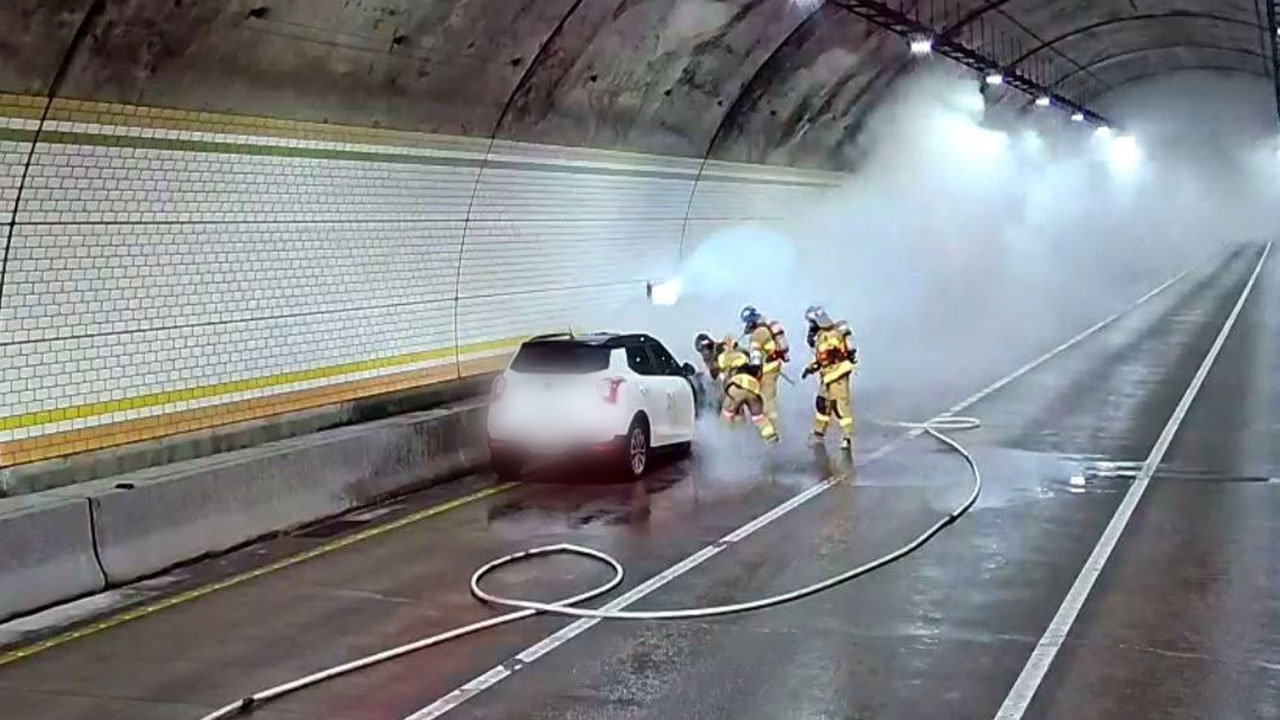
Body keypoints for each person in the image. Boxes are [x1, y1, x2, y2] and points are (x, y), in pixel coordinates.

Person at [802, 305, 856, 451]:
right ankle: (818, 433)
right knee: (822, 403)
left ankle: (846, 437)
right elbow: (821, 359)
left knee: (840, 407)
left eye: (812, 323)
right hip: (828, 375)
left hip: (838, 374)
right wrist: (811, 368)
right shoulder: (823, 335)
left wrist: (815, 345)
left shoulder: (830, 335)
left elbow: (827, 355)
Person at [715, 335, 779, 444]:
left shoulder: (722, 358)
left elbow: (723, 378)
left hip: (737, 385)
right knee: (758, 417)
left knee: (727, 414)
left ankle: (724, 444)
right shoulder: (743, 356)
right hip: (752, 387)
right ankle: (772, 439)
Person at [740, 305, 789, 422]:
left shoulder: (758, 334)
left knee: (767, 397)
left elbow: (755, 353)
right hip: (773, 365)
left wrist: (753, 368)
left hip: (768, 369)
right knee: (770, 395)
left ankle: (774, 423)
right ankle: (775, 418)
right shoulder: (764, 329)